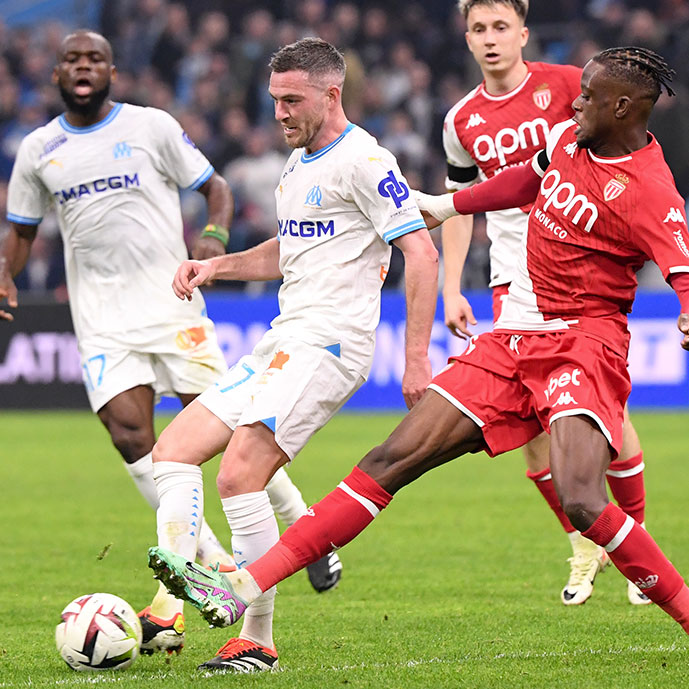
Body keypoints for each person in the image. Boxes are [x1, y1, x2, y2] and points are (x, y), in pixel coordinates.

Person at [149, 47, 689, 655]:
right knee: (389, 458)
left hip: (583, 344)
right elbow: (527, 180)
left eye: (589, 96)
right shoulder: (569, 138)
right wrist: (447, 204)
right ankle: (241, 588)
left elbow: (681, 264)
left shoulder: (650, 189)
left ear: (623, 107)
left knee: (584, 501)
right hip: (514, 337)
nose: (578, 102)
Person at [0, 30, 343, 656]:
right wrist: (5, 273)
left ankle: (304, 525)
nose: (84, 68)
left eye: (95, 59)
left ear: (111, 70)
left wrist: (213, 235)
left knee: (232, 430)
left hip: (171, 305)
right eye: (72, 60)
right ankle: (199, 569)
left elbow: (215, 187)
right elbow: (20, 228)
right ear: (56, 73)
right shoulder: (38, 150)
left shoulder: (151, 127)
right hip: (101, 318)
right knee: (138, 439)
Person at [146, 37, 438, 672]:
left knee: (238, 475)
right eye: (273, 100)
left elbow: (421, 252)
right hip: (284, 336)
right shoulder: (299, 163)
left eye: (290, 101)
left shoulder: (365, 159)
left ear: (330, 96)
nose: (277, 113)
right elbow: (290, 250)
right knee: (170, 452)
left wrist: (417, 357)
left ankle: (256, 638)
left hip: (331, 343)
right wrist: (216, 265)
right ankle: (178, 589)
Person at [442, 0, 649, 605]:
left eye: (500, 27)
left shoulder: (568, 87)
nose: (489, 39)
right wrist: (454, 284)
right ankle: (584, 541)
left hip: (578, 266)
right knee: (532, 430)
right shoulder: (460, 120)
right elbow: (464, 203)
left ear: (523, 33)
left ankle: (638, 539)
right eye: (478, 29)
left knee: (603, 417)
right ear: (466, 37)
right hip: (511, 275)